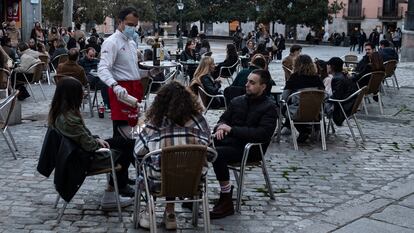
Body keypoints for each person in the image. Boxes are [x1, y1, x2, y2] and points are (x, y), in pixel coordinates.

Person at [47, 76, 134, 210]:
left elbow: (82, 137)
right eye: (81, 92)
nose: (84, 94)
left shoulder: (60, 114)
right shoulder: (70, 120)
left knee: (125, 142)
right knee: (126, 148)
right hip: (83, 159)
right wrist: (96, 141)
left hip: (78, 152)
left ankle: (120, 185)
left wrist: (96, 138)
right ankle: (112, 192)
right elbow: (89, 146)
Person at [134, 81, 211, 230]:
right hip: (193, 182)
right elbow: (212, 154)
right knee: (175, 168)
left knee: (152, 165)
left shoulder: (154, 123)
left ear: (160, 102)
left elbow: (138, 152)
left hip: (159, 182)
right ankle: (170, 213)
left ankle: (149, 210)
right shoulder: (199, 121)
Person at [210, 69, 277, 219]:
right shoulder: (237, 101)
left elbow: (262, 134)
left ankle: (226, 199)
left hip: (251, 149)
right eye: (247, 81)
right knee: (203, 148)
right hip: (230, 143)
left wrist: (232, 129)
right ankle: (196, 190)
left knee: (217, 154)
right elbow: (223, 120)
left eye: (252, 83)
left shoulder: (269, 107)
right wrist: (220, 127)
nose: (247, 85)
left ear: (263, 86)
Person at [98, 7, 143, 191]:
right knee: (122, 138)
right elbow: (103, 68)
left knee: (132, 137)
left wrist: (150, 71)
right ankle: (117, 181)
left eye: (135, 25)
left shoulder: (131, 42)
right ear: (121, 22)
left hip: (134, 90)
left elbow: (132, 70)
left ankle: (121, 176)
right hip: (121, 93)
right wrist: (115, 86)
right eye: (130, 24)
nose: (133, 27)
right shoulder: (111, 42)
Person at [281, 54, 325, 142]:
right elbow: (323, 94)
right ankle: (312, 129)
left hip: (298, 112)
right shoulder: (317, 78)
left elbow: (284, 97)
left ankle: (302, 129)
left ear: (296, 64)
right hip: (316, 112)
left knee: (284, 106)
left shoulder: (294, 77)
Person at [325, 57, 358, 125]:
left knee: (314, 107)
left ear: (332, 67)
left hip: (341, 109)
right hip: (347, 105)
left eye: (328, 65)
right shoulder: (343, 76)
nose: (327, 67)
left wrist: (324, 99)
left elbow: (337, 96)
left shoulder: (337, 79)